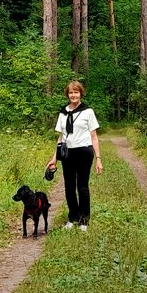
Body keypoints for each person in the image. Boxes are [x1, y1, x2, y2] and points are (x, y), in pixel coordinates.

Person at [45, 80, 101, 231]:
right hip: (68, 153)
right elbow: (61, 138)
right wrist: (54, 158)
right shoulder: (63, 113)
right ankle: (73, 217)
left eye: (76, 92)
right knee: (69, 188)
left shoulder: (88, 112)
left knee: (82, 187)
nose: (73, 95)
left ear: (81, 93)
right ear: (67, 95)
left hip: (84, 152)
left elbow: (94, 136)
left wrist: (98, 159)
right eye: (71, 93)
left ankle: (84, 220)